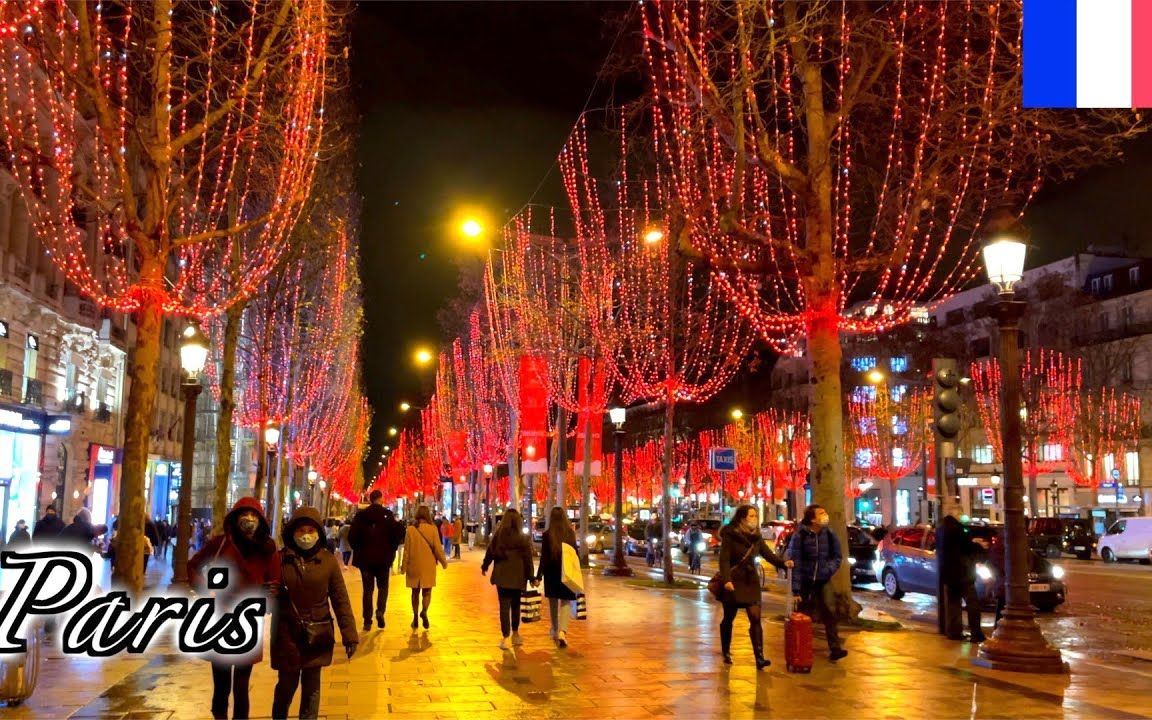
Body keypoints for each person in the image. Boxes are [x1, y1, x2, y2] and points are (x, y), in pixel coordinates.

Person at [190, 497, 280, 720]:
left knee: (241, 686)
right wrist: (205, 590)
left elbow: (274, 581)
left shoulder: (268, 548)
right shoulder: (220, 544)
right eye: (244, 514)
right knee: (221, 685)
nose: (249, 519)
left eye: (253, 515)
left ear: (260, 519)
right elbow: (193, 566)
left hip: (248, 620)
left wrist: (267, 599)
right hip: (220, 618)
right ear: (234, 518)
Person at [271, 507, 357, 720]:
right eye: (301, 530)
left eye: (310, 529)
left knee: (311, 689)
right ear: (292, 532)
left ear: (318, 531)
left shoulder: (327, 561)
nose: (306, 535)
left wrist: (349, 634)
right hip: (287, 633)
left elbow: (340, 598)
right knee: (286, 686)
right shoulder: (280, 560)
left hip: (317, 634)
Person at [719, 505, 792, 669]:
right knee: (729, 618)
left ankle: (759, 657)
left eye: (755, 516)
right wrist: (726, 580)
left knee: (755, 618)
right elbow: (724, 559)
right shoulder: (730, 535)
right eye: (751, 516)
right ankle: (726, 651)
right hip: (733, 582)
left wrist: (783, 563)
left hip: (750, 581)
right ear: (742, 518)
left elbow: (768, 554)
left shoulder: (756, 537)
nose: (754, 519)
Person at [787, 504, 848, 662]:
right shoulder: (800, 535)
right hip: (806, 581)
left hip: (823, 579)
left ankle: (835, 649)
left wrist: (828, 570)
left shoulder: (828, 533)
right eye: (821, 513)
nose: (825, 515)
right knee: (802, 615)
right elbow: (797, 563)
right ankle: (800, 649)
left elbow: (837, 556)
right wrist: (796, 591)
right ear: (812, 518)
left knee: (830, 611)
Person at [348, 490, 404, 631]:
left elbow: (352, 537)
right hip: (383, 559)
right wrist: (391, 550)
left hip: (365, 559)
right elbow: (397, 534)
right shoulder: (387, 515)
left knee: (367, 590)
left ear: (370, 499)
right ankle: (380, 611)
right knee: (383, 587)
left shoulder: (361, 516)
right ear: (380, 499)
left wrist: (359, 549)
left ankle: (367, 621)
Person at [481, 509, 536, 649]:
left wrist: (485, 566)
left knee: (504, 607)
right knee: (516, 605)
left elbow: (490, 552)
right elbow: (528, 560)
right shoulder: (523, 537)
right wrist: (531, 577)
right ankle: (516, 634)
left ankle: (505, 637)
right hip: (518, 577)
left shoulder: (499, 535)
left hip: (502, 576)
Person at [936, 511, 988, 642]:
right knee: (972, 603)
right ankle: (976, 633)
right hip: (963, 572)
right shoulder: (959, 529)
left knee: (953, 603)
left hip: (948, 573)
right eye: (960, 512)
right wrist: (977, 544)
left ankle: (953, 632)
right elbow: (967, 547)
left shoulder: (941, 529)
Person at [536, 507, 578, 649]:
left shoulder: (547, 535)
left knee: (553, 602)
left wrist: (539, 576)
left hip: (551, 573)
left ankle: (554, 629)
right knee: (565, 602)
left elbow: (544, 558)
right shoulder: (570, 533)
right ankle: (562, 632)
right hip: (566, 572)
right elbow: (575, 554)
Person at [401, 505, 448, 630]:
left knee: (414, 592)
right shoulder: (433, 529)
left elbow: (406, 550)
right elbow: (438, 549)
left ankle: (415, 616)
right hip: (428, 565)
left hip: (414, 565)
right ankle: (425, 611)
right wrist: (444, 562)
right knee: (427, 592)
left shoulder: (410, 530)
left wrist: (403, 567)